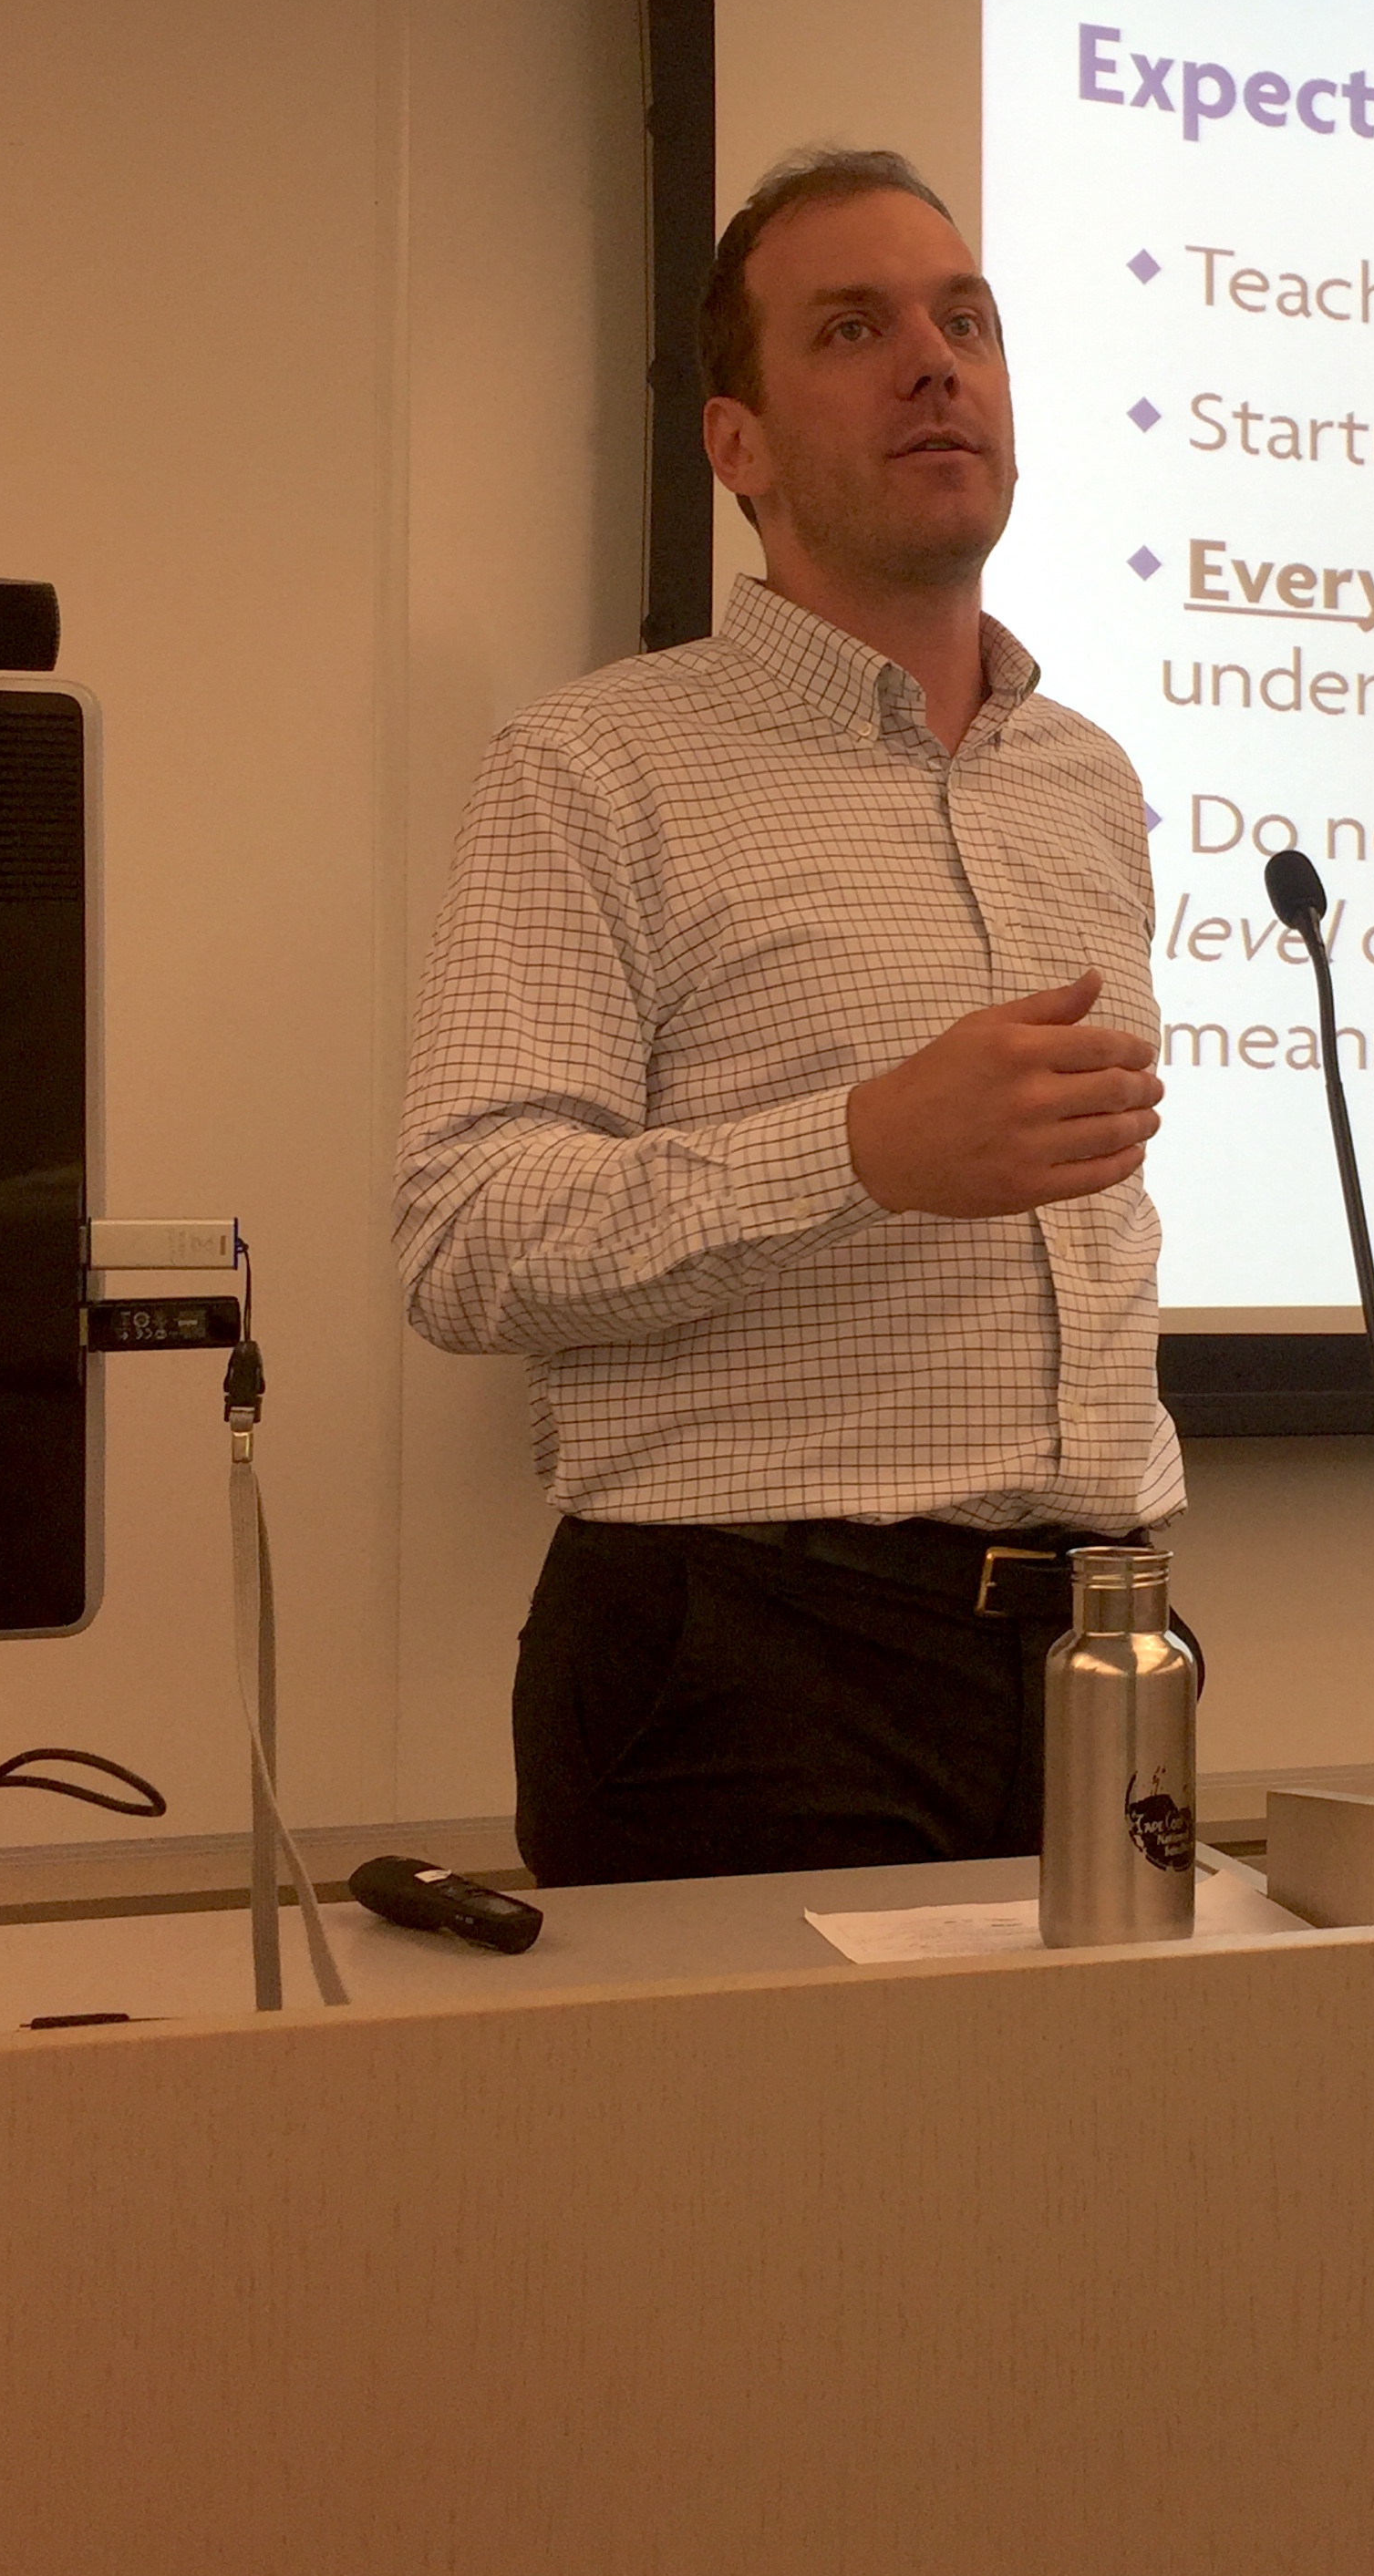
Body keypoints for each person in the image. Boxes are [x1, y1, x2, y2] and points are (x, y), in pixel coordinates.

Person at [394, 146, 1183, 1887]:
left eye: (963, 317)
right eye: (853, 327)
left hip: (1105, 1643)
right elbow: (463, 1242)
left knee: (1108, 2160)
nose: (934, 359)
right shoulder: (597, 766)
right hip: (751, 1656)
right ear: (734, 446)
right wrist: (858, 1153)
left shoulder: (1088, 778)